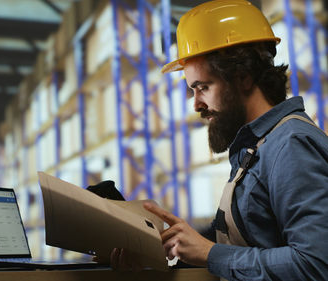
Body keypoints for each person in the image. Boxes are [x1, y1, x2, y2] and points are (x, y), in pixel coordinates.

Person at [110, 0, 328, 280]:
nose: (196, 105)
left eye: (203, 87)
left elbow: (316, 264)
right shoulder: (258, 145)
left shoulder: (291, 145)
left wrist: (209, 253)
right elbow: (253, 243)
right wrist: (169, 246)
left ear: (243, 77)